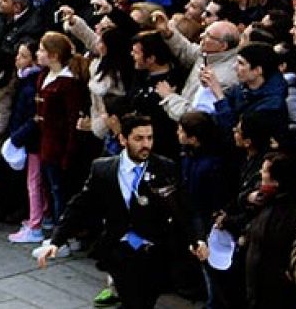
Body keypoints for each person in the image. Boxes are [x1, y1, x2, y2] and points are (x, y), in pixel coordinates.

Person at [35, 114, 194, 309]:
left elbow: (182, 208)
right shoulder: (104, 169)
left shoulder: (165, 167)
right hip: (120, 249)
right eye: (138, 138)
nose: (146, 144)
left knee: (146, 301)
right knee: (133, 301)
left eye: (149, 138)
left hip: (156, 251)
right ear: (123, 139)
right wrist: (56, 241)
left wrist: (196, 240)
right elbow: (80, 205)